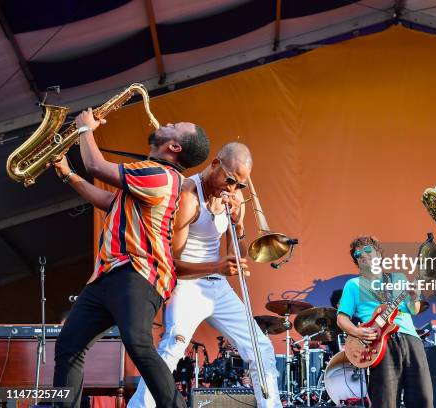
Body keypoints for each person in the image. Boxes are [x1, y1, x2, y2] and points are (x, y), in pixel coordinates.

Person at [51, 109, 210, 408]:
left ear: (174, 147)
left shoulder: (160, 175)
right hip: (107, 275)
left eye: (174, 124)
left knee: (137, 344)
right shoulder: (148, 173)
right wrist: (67, 173)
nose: (165, 121)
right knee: (69, 346)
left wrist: (86, 129)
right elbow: (109, 201)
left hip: (139, 272)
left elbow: (95, 165)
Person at [128, 142, 281, 408]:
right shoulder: (188, 194)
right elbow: (171, 263)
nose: (232, 189)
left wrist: (239, 223)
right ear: (214, 165)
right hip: (187, 284)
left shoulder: (234, 201)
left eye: (239, 185)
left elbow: (236, 258)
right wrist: (215, 267)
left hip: (217, 286)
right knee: (172, 349)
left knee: (261, 349)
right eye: (230, 180)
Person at [336, 236, 433, 408]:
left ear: (379, 255)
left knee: (423, 399)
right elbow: (341, 318)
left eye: (367, 250)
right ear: (357, 262)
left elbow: (414, 309)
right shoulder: (353, 285)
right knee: (385, 401)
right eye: (358, 254)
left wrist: (413, 296)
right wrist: (357, 332)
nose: (363, 255)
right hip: (380, 343)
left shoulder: (398, 278)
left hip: (411, 339)